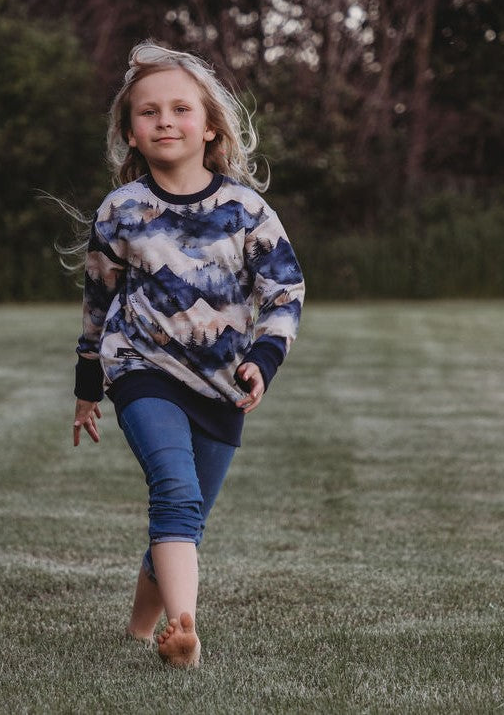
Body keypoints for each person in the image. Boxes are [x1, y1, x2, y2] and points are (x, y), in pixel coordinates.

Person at [71, 41, 304, 667]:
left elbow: (284, 293)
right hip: (141, 368)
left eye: (180, 109)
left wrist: (264, 358)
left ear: (210, 128)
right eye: (149, 112)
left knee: (186, 516)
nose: (165, 120)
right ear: (130, 133)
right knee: (175, 493)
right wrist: (88, 382)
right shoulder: (121, 212)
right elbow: (98, 298)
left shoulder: (247, 211)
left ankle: (143, 631)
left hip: (221, 381)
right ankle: (186, 631)